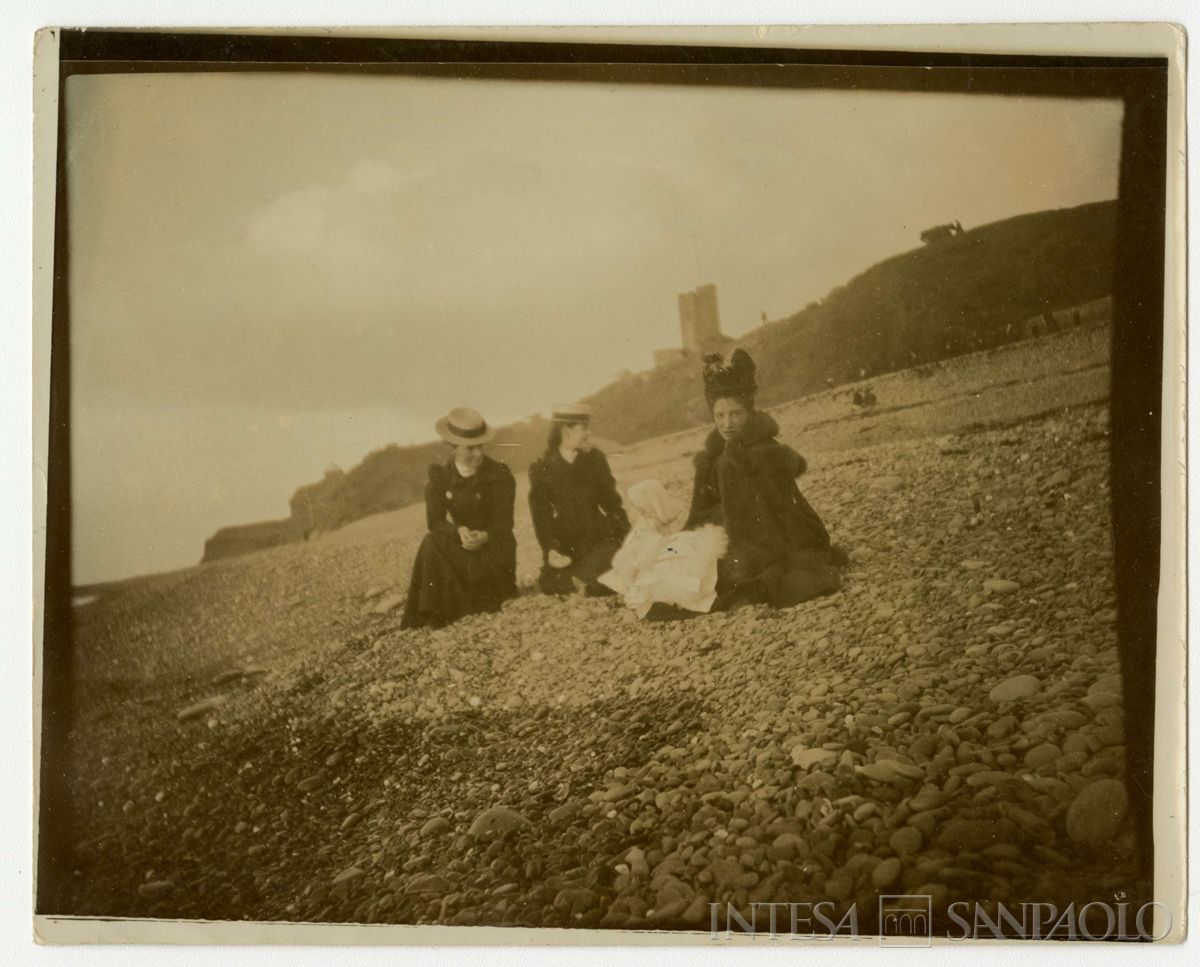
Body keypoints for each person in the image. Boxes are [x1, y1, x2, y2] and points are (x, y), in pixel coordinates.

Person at [685, 349, 846, 610]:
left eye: (736, 414)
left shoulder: (765, 452)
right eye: (720, 416)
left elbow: (777, 514)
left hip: (774, 533)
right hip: (730, 530)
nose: (727, 423)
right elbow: (698, 512)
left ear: (748, 412)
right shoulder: (712, 459)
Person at [400, 407, 517, 629]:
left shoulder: (499, 474)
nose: (478, 454)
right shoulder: (440, 477)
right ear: (451, 448)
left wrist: (485, 536)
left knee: (439, 552)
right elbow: (434, 522)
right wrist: (458, 531)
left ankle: (442, 610)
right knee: (431, 541)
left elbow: (505, 524)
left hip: (494, 553)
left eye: (480, 446)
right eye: (470, 448)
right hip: (465, 550)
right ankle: (434, 614)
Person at [528, 403, 631, 595]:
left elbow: (612, 503)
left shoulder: (594, 458)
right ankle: (591, 582)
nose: (588, 434)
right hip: (567, 542)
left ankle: (589, 581)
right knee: (550, 581)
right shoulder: (541, 467)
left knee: (612, 559)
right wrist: (550, 550)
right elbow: (541, 516)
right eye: (584, 428)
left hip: (599, 536)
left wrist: (626, 534)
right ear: (566, 430)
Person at [600, 479, 728, 619]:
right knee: (668, 564)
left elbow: (659, 542)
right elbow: (644, 546)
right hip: (656, 553)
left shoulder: (651, 521)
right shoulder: (645, 524)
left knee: (679, 556)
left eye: (639, 507)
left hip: (664, 550)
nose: (637, 511)